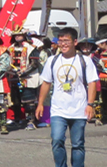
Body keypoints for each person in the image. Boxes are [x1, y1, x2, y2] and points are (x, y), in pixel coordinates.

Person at [35, 28, 98, 167]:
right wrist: (40, 103)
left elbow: (92, 83)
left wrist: (90, 104)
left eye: (66, 41)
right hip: (58, 110)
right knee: (57, 140)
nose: (62, 44)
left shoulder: (85, 61)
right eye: (60, 41)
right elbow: (46, 83)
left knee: (78, 144)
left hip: (79, 109)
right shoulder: (52, 60)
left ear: (75, 42)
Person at [7, 30, 34, 127]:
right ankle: (17, 118)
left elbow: (33, 63)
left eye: (19, 35)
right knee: (15, 98)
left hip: (26, 77)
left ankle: (30, 120)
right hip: (14, 76)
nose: (17, 37)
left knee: (27, 98)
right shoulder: (10, 48)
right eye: (15, 35)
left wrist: (24, 72)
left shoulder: (30, 48)